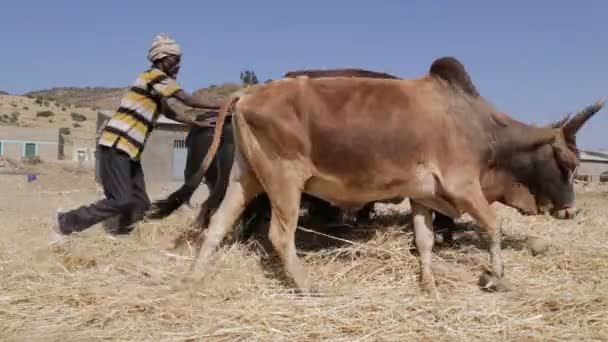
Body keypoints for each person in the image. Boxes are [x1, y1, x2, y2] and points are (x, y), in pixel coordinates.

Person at [50, 33, 219, 242]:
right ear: (161, 59)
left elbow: (169, 112)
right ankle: (65, 222)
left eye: (179, 61)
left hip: (131, 151)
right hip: (116, 146)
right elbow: (185, 98)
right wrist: (222, 105)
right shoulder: (153, 76)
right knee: (120, 200)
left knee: (140, 204)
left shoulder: (157, 86)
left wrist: (194, 123)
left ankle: (120, 236)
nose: (178, 66)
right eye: (174, 60)